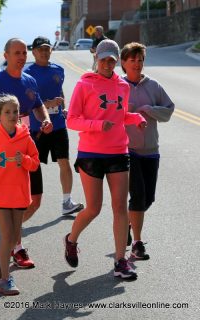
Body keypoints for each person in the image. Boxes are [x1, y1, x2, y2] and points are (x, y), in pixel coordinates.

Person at [63, 39, 146, 280]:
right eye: (104, 60)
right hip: (91, 153)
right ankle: (71, 239)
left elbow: (119, 116)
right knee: (93, 208)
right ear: (97, 60)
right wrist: (98, 125)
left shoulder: (122, 85)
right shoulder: (84, 84)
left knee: (120, 207)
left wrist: (135, 118)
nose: (108, 64)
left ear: (117, 61)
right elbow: (72, 120)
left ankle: (121, 261)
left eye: (112, 60)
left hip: (119, 151)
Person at [0, 38, 52, 269]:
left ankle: (8, 239)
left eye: (24, 52)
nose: (22, 57)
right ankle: (14, 247)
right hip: (4, 155)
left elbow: (38, 104)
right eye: (17, 53)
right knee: (16, 204)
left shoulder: (29, 80)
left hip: (26, 146)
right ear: (6, 55)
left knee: (35, 201)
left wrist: (45, 119)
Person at [0, 95, 40, 295]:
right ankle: (5, 279)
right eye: (7, 112)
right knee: (7, 236)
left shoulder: (25, 136)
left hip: (19, 194)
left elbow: (35, 163)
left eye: (15, 111)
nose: (12, 115)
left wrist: (26, 160)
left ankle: (2, 259)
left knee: (13, 238)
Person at [120, 42, 174, 260]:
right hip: (127, 149)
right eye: (132, 60)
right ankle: (137, 243)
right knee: (139, 195)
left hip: (151, 149)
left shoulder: (153, 86)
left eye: (140, 59)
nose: (137, 64)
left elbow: (169, 111)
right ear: (123, 63)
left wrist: (150, 110)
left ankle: (126, 224)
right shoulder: (119, 87)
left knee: (148, 199)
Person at [24, 36, 84, 216]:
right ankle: (23, 199)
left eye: (47, 48)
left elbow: (60, 92)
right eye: (40, 49)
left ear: (51, 50)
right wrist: (48, 104)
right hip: (38, 128)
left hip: (58, 125)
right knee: (32, 165)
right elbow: (29, 100)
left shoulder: (58, 70)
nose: (44, 52)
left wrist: (63, 108)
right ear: (33, 52)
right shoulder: (28, 73)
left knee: (64, 162)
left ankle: (67, 201)